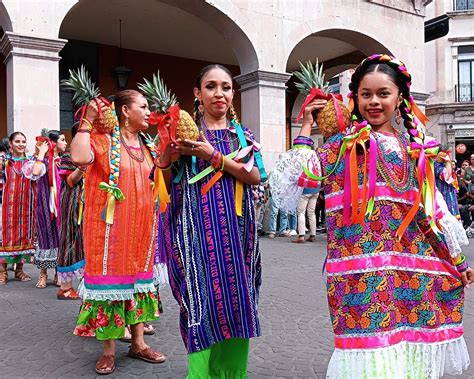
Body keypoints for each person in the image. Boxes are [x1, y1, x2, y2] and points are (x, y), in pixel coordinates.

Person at [272, 54, 473, 378]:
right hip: (359, 278)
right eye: (366, 94)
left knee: (404, 361)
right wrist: (306, 127)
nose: (375, 101)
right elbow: (295, 183)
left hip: (409, 275)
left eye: (384, 93)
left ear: (399, 98)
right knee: (371, 362)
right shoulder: (340, 147)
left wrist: (459, 264)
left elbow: (432, 213)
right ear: (355, 99)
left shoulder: (414, 152)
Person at [157, 64, 263, 378]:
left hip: (236, 235)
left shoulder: (242, 135)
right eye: (211, 86)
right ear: (197, 93)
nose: (219, 93)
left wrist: (213, 157)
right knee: (200, 303)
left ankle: (231, 372)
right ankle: (200, 374)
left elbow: (255, 176)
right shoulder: (184, 134)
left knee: (236, 301)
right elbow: (162, 178)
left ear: (233, 93)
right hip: (195, 235)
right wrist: (168, 155)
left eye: (226, 87)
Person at [70, 90, 165, 375]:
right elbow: (78, 157)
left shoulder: (148, 145)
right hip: (110, 230)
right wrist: (87, 122)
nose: (149, 112)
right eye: (143, 106)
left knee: (138, 283)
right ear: (125, 111)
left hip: (142, 229)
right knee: (111, 285)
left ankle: (138, 343)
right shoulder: (104, 140)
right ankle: (108, 351)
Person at [23, 130, 66, 288]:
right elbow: (34, 172)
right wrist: (41, 153)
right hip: (44, 206)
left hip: (60, 207)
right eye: (62, 140)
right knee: (45, 237)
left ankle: (57, 273)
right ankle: (42, 274)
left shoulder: (62, 160)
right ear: (53, 143)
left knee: (59, 238)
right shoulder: (41, 162)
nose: (65, 143)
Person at [0, 132, 38, 284]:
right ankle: (2, 272)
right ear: (10, 144)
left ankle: (19, 270)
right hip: (7, 206)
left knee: (24, 235)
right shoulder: (4, 161)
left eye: (23, 141)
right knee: (5, 237)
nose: (21, 144)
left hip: (26, 206)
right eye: (17, 141)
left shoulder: (30, 162)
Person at [56, 123, 85, 299]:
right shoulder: (70, 153)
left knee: (84, 241)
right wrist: (82, 168)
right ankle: (65, 287)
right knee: (70, 238)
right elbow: (70, 181)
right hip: (73, 200)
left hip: (88, 201)